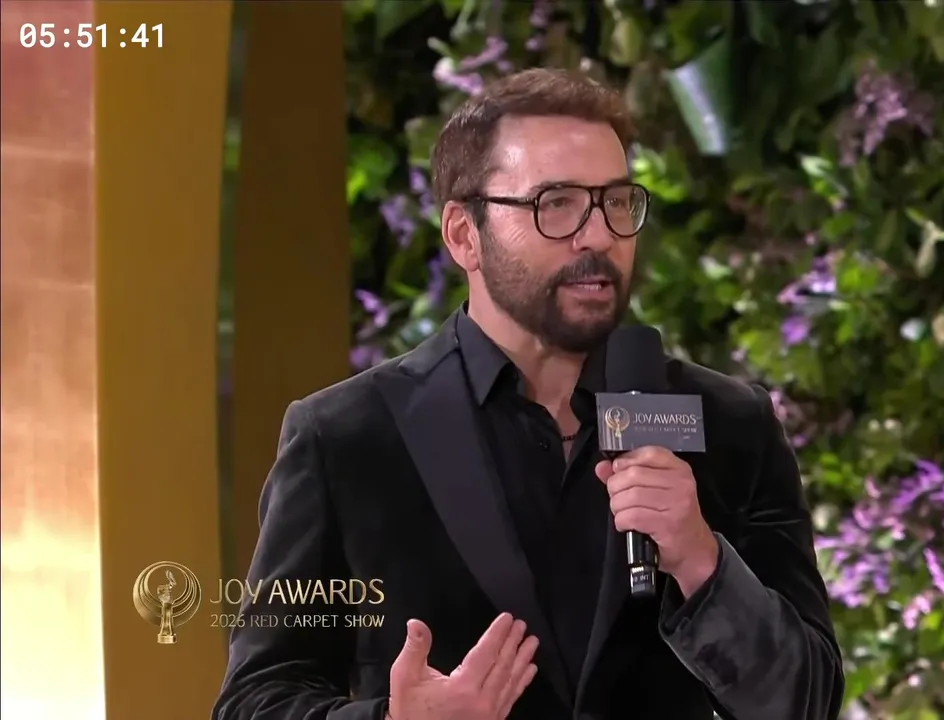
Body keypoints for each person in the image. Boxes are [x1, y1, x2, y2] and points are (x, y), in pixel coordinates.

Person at [211, 68, 843, 720]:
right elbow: (255, 701)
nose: (599, 235)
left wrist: (702, 563)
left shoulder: (732, 425)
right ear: (464, 235)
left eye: (615, 202)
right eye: (556, 203)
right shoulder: (346, 438)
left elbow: (808, 702)